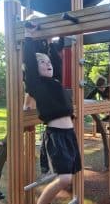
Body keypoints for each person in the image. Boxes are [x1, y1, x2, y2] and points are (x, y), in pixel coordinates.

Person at [23, 23, 81, 204]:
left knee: (71, 174)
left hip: (69, 134)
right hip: (56, 136)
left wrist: (58, 38)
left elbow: (57, 60)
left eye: (48, 63)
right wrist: (28, 35)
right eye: (42, 63)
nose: (48, 65)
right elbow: (30, 63)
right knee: (64, 179)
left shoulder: (56, 82)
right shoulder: (36, 84)